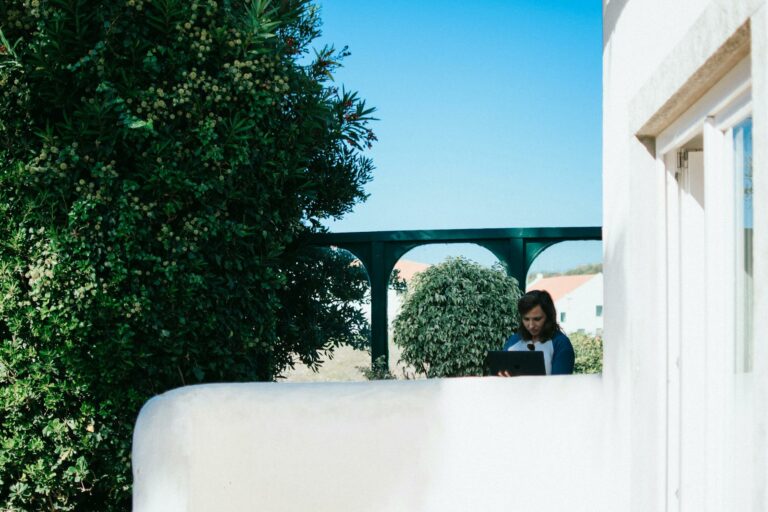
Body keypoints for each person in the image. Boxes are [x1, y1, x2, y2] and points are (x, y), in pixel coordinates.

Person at [501, 290, 574, 375]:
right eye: (526, 319)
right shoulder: (513, 340)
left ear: (549, 317)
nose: (531, 325)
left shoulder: (561, 343)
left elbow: (559, 384)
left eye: (537, 319)